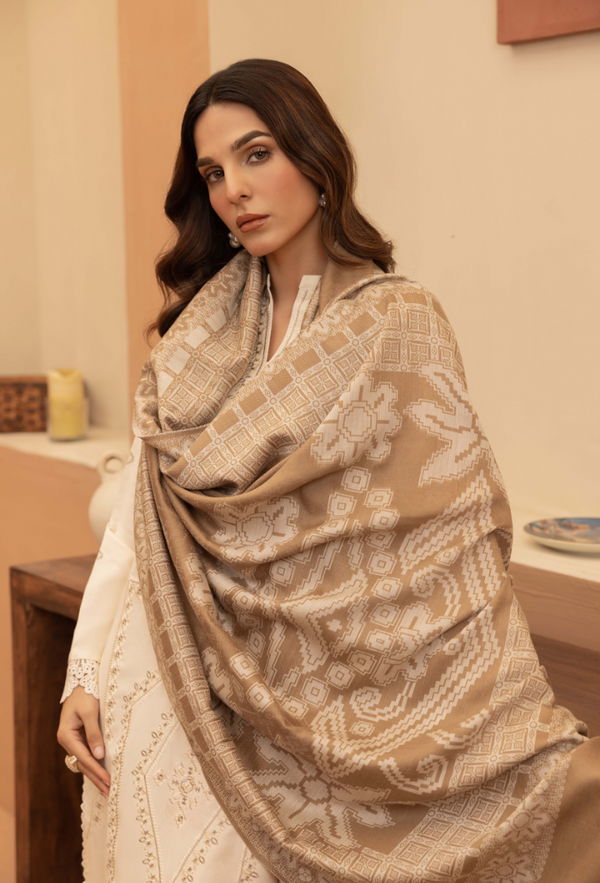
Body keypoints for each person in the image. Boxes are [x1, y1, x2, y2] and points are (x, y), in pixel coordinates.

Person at [58, 58, 600, 883]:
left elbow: (444, 530)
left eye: (256, 154)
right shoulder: (200, 333)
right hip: (167, 676)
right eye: (213, 172)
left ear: (314, 156)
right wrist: (85, 673)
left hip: (323, 707)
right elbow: (140, 517)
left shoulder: (398, 323)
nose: (235, 189)